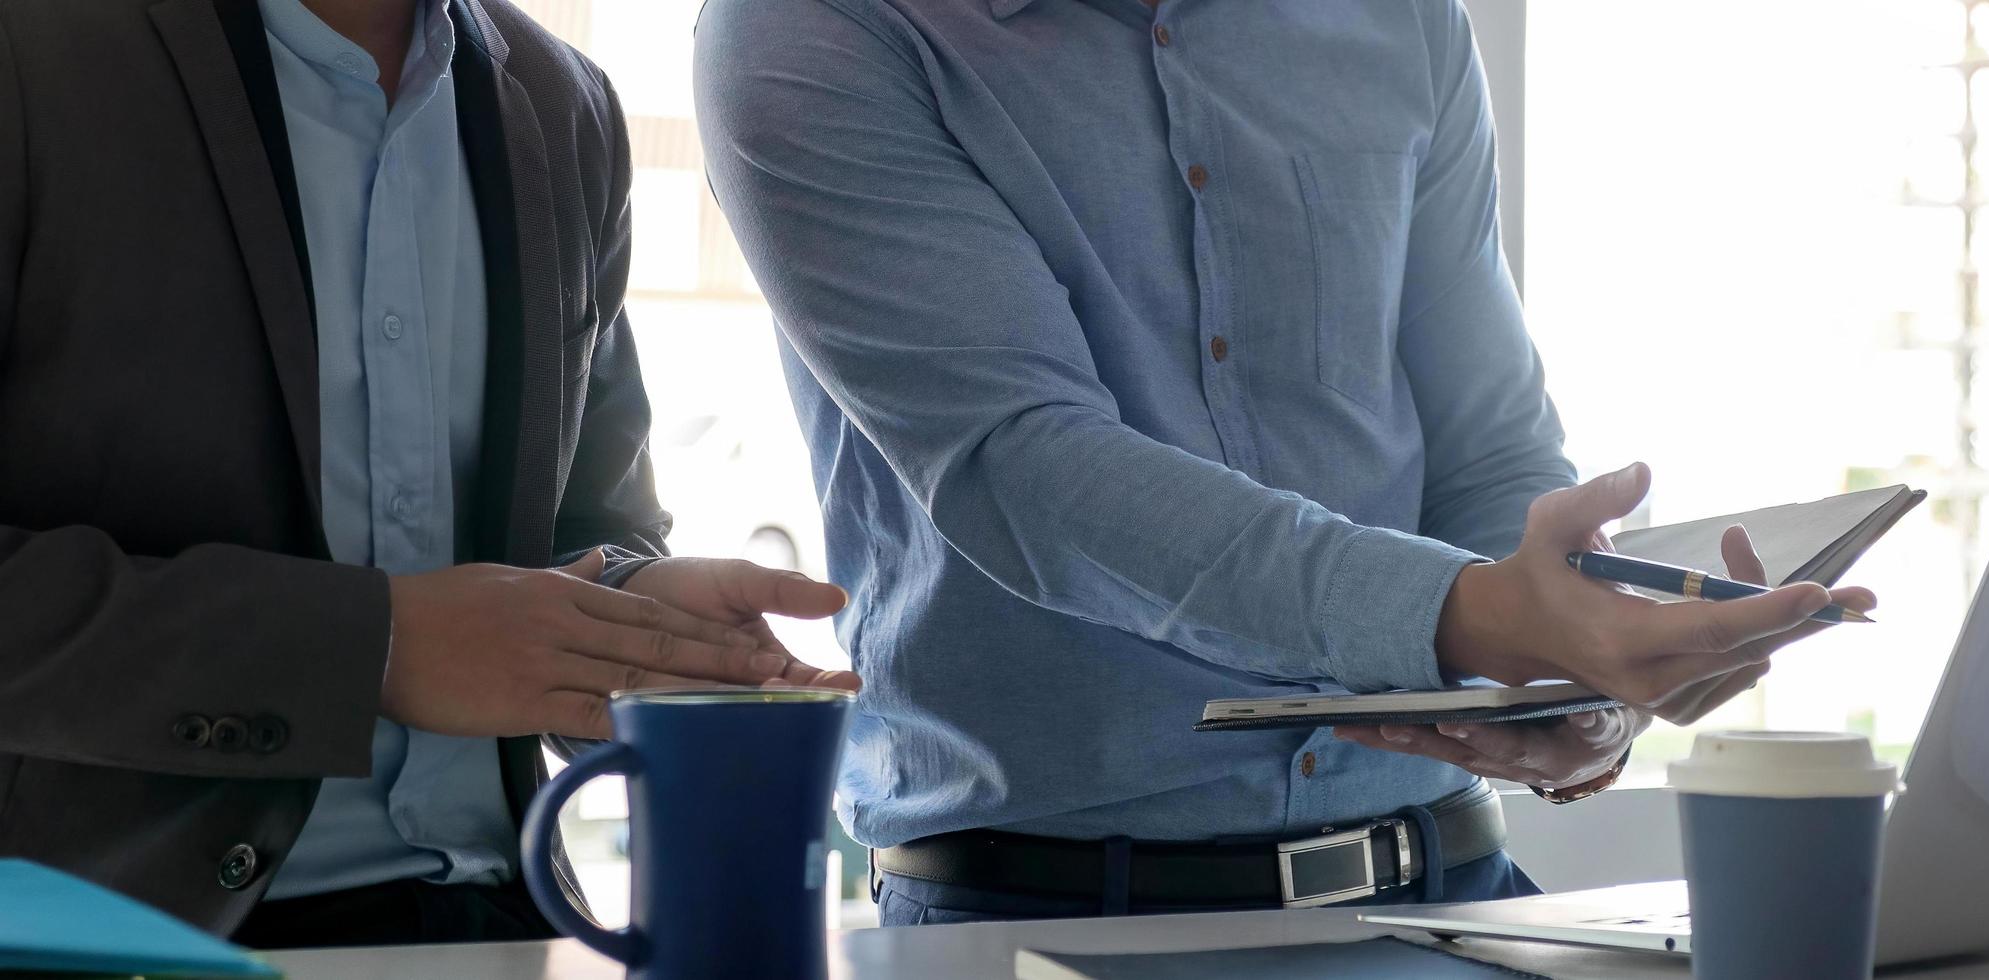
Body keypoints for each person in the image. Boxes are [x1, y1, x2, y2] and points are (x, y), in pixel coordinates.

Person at [695, 0, 1873, 925]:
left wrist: (1574, 687)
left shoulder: (1400, 17)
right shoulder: (815, 25)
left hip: (1453, 896)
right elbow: (1023, 465)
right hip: (1038, 916)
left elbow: (1487, 438)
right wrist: (1464, 615)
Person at [0, 0, 854, 947]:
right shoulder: (33, 52)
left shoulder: (567, 104)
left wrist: (637, 616)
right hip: (118, 936)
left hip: (512, 928)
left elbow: (589, 520)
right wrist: (373, 647)